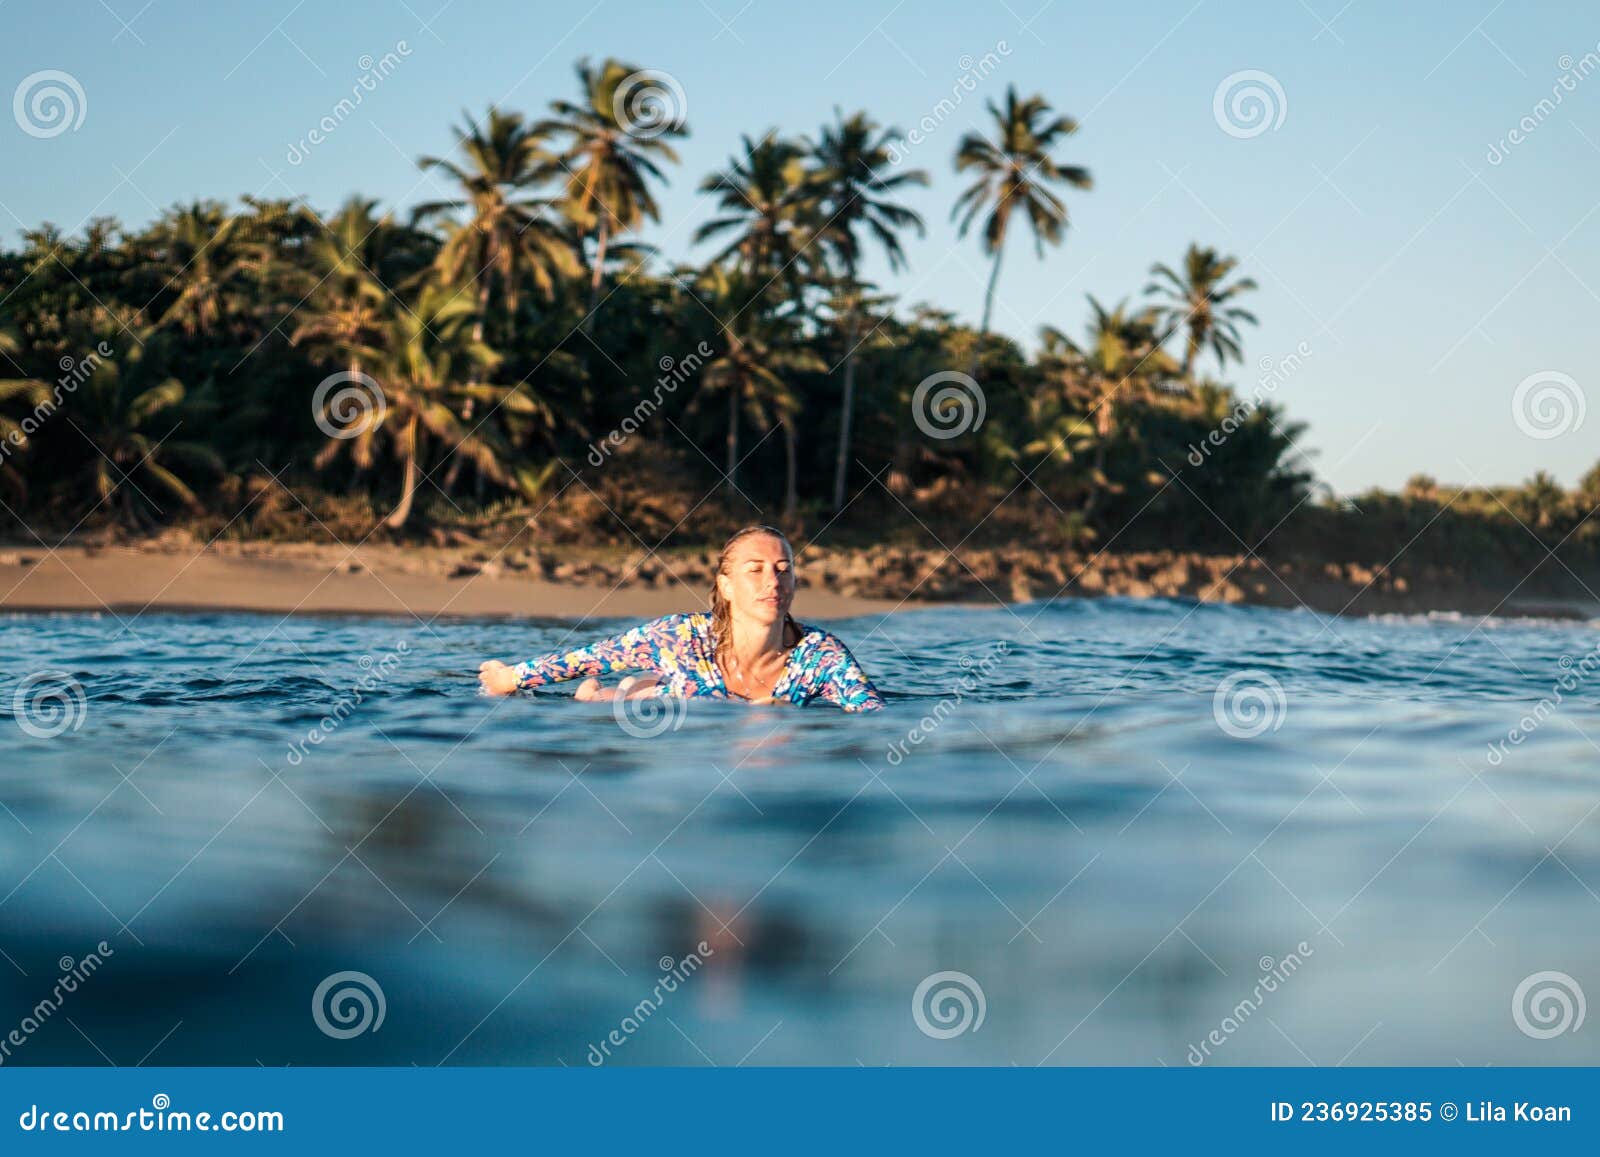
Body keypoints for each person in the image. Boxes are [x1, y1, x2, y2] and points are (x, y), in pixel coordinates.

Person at [477, 525, 884, 712]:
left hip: (678, 697)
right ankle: (602, 695)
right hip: (671, 714)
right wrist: (511, 678)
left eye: (783, 568)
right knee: (619, 698)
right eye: (755, 569)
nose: (772, 581)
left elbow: (873, 718)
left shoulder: (819, 655)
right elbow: (593, 656)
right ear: (724, 585)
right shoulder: (680, 636)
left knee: (672, 693)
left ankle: (636, 689)